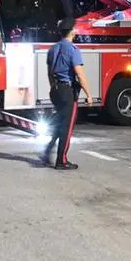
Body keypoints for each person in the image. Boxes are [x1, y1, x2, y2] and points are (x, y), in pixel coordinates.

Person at [40, 18, 93, 170]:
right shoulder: (73, 50)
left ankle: (47, 151)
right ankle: (61, 161)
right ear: (71, 31)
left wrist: (54, 88)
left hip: (55, 90)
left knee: (60, 123)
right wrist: (89, 94)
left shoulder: (53, 49)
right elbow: (80, 75)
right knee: (67, 127)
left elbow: (50, 73)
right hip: (67, 91)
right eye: (75, 28)